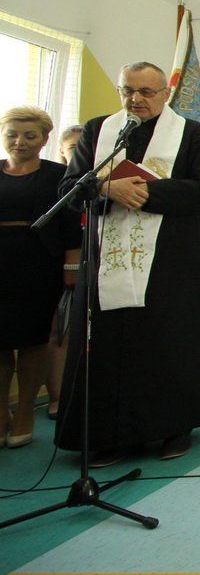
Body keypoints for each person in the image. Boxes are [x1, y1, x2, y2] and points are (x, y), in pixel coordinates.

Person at [56, 61, 200, 465]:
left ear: (164, 93)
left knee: (166, 342)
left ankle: (172, 428)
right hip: (105, 260)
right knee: (110, 344)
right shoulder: (99, 131)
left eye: (147, 92)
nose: (136, 100)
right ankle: (110, 434)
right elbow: (68, 188)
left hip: (167, 260)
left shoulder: (190, 133)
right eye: (128, 91)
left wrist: (149, 193)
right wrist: (105, 187)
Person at [1, 106, 80, 447]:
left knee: (34, 340)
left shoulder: (56, 176)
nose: (20, 142)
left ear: (45, 139)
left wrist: (71, 269)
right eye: (12, 135)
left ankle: (24, 414)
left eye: (29, 135)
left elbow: (69, 226)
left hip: (39, 265)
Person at [44, 123, 86, 419]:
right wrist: (70, 267)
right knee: (60, 332)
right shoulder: (56, 182)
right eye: (74, 149)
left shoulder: (103, 181)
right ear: (60, 150)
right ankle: (58, 398)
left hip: (99, 262)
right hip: (59, 267)